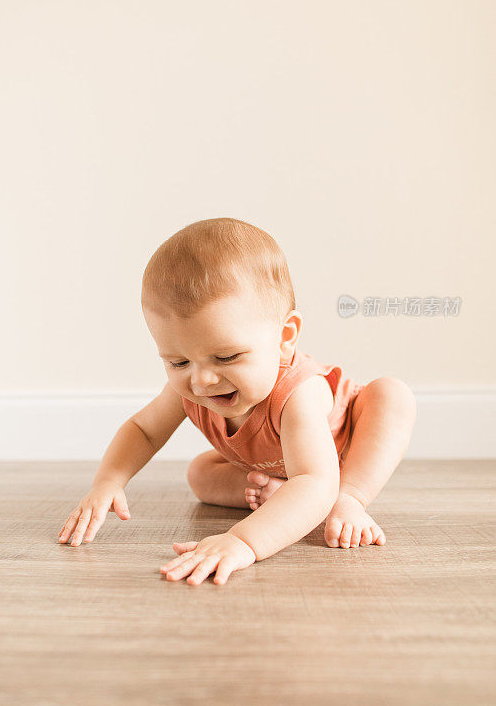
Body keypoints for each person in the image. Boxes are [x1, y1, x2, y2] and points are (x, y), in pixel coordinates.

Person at [57, 217, 417, 586]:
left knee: (391, 395)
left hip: (336, 462)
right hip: (281, 468)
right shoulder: (192, 388)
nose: (201, 380)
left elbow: (314, 478)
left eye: (226, 357)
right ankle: (282, 499)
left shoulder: (297, 394)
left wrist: (242, 540)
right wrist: (108, 481)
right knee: (200, 475)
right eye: (178, 362)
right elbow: (144, 430)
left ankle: (349, 499)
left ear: (285, 337)